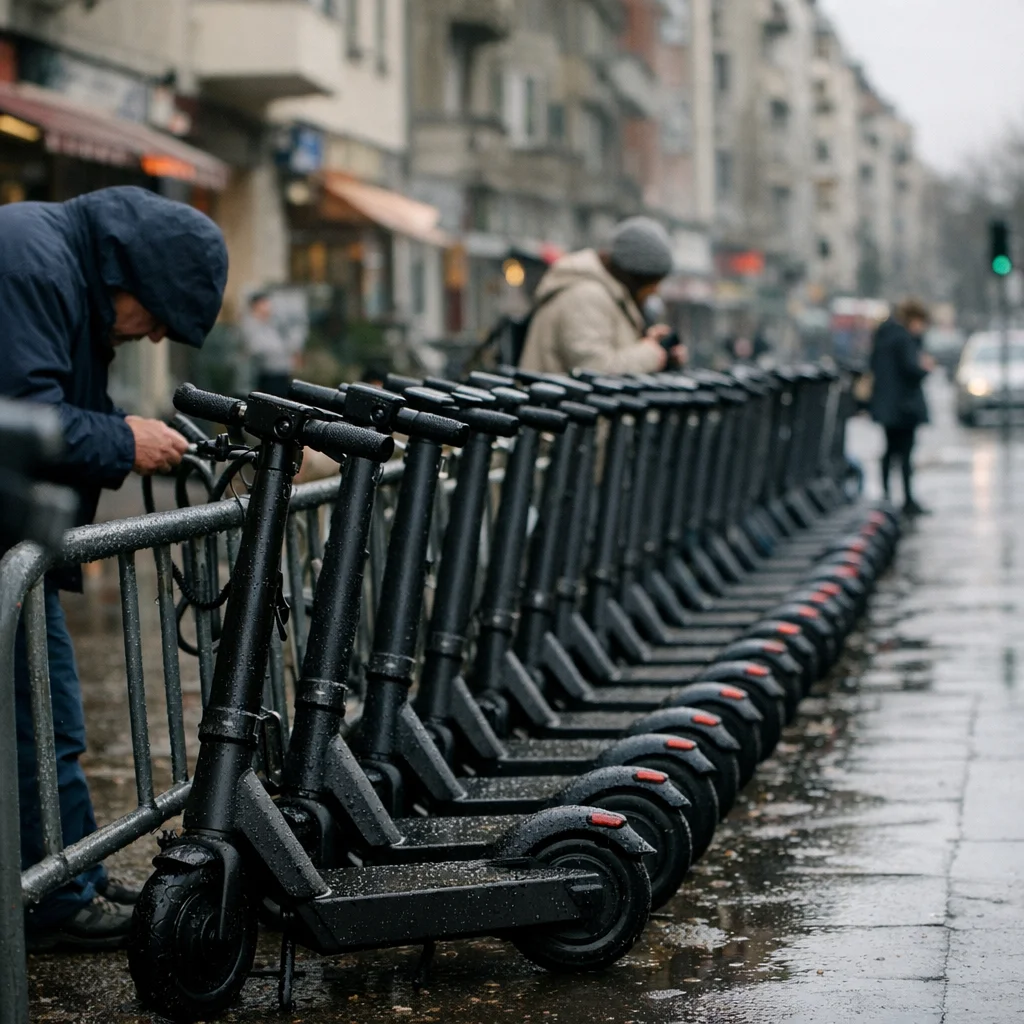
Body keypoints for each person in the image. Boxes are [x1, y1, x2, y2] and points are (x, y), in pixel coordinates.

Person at [0, 185, 228, 949]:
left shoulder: (58, 263)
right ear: (132, 277)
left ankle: (71, 877)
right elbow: (23, 420)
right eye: (157, 319)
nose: (153, 338)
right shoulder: (33, 261)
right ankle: (60, 898)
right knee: (46, 721)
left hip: (12, 545)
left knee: (45, 719)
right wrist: (121, 437)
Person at [519, 216, 687, 375]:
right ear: (632, 275)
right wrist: (650, 354)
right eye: (651, 283)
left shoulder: (607, 292)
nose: (653, 291)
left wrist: (656, 351)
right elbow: (593, 368)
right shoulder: (586, 295)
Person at [869, 298, 934, 517]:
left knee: (889, 450)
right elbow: (911, 370)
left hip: (887, 405)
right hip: (905, 406)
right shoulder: (905, 339)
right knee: (905, 454)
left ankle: (886, 496)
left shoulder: (884, 336)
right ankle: (906, 499)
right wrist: (926, 367)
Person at [241, 290, 299, 396]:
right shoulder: (250, 324)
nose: (268, 306)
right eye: (264, 303)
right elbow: (257, 347)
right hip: (263, 374)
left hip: (281, 372)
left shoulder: (273, 322)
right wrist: (280, 351)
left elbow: (288, 341)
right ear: (256, 305)